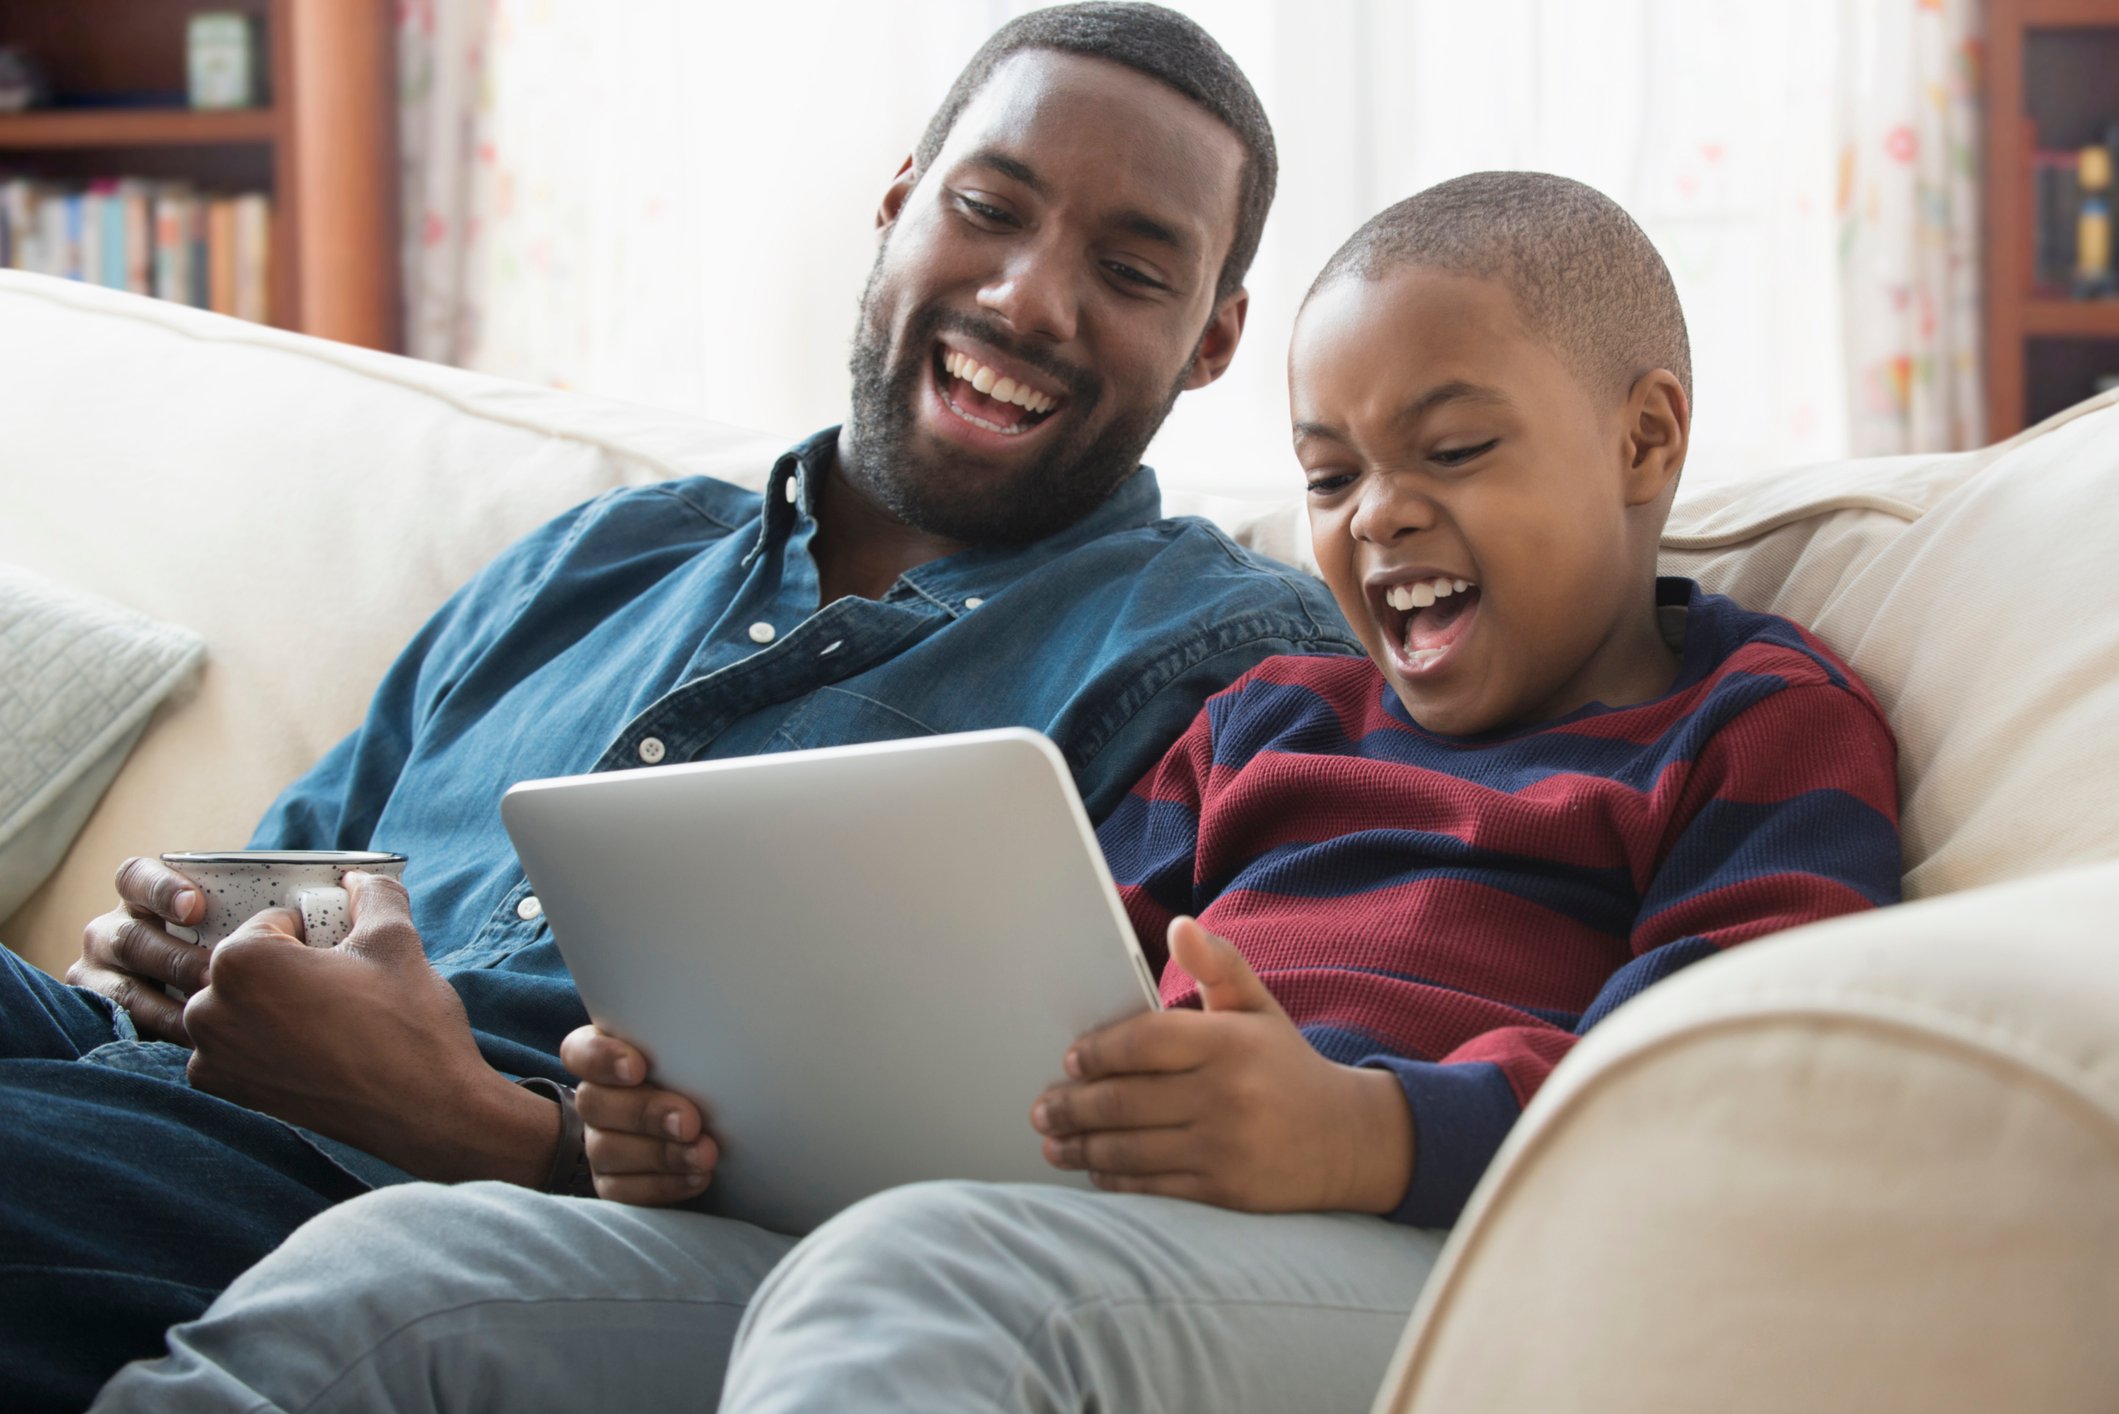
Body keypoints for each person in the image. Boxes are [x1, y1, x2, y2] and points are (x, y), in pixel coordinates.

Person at [91, 172, 1902, 1413]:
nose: (1376, 520)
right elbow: (1032, 994)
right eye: (1330, 471)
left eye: (1453, 450)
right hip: (1020, 1236)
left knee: (921, 1280)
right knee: (405, 1269)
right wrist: (702, 1130)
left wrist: (1360, 1129)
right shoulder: (1276, 711)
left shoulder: (1756, 722)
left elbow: (1705, 1102)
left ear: (1647, 439)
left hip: (1420, 1268)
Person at [0, 7, 1366, 1409]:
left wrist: (473, 1124)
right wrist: (176, 946)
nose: (1028, 298)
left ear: (1213, 339)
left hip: (402, 1216)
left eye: (1132, 271)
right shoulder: (606, 550)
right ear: (897, 206)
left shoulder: (1222, 659)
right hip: (132, 1083)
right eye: (985, 208)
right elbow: (295, 882)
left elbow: (989, 1214)